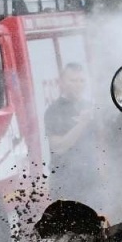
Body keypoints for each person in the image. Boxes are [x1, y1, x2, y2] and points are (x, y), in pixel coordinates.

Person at [45, 63, 98, 201]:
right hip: (66, 183)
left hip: (91, 182)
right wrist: (82, 123)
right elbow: (58, 147)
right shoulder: (54, 111)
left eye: (81, 80)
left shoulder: (90, 107)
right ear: (61, 83)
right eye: (73, 80)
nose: (78, 85)